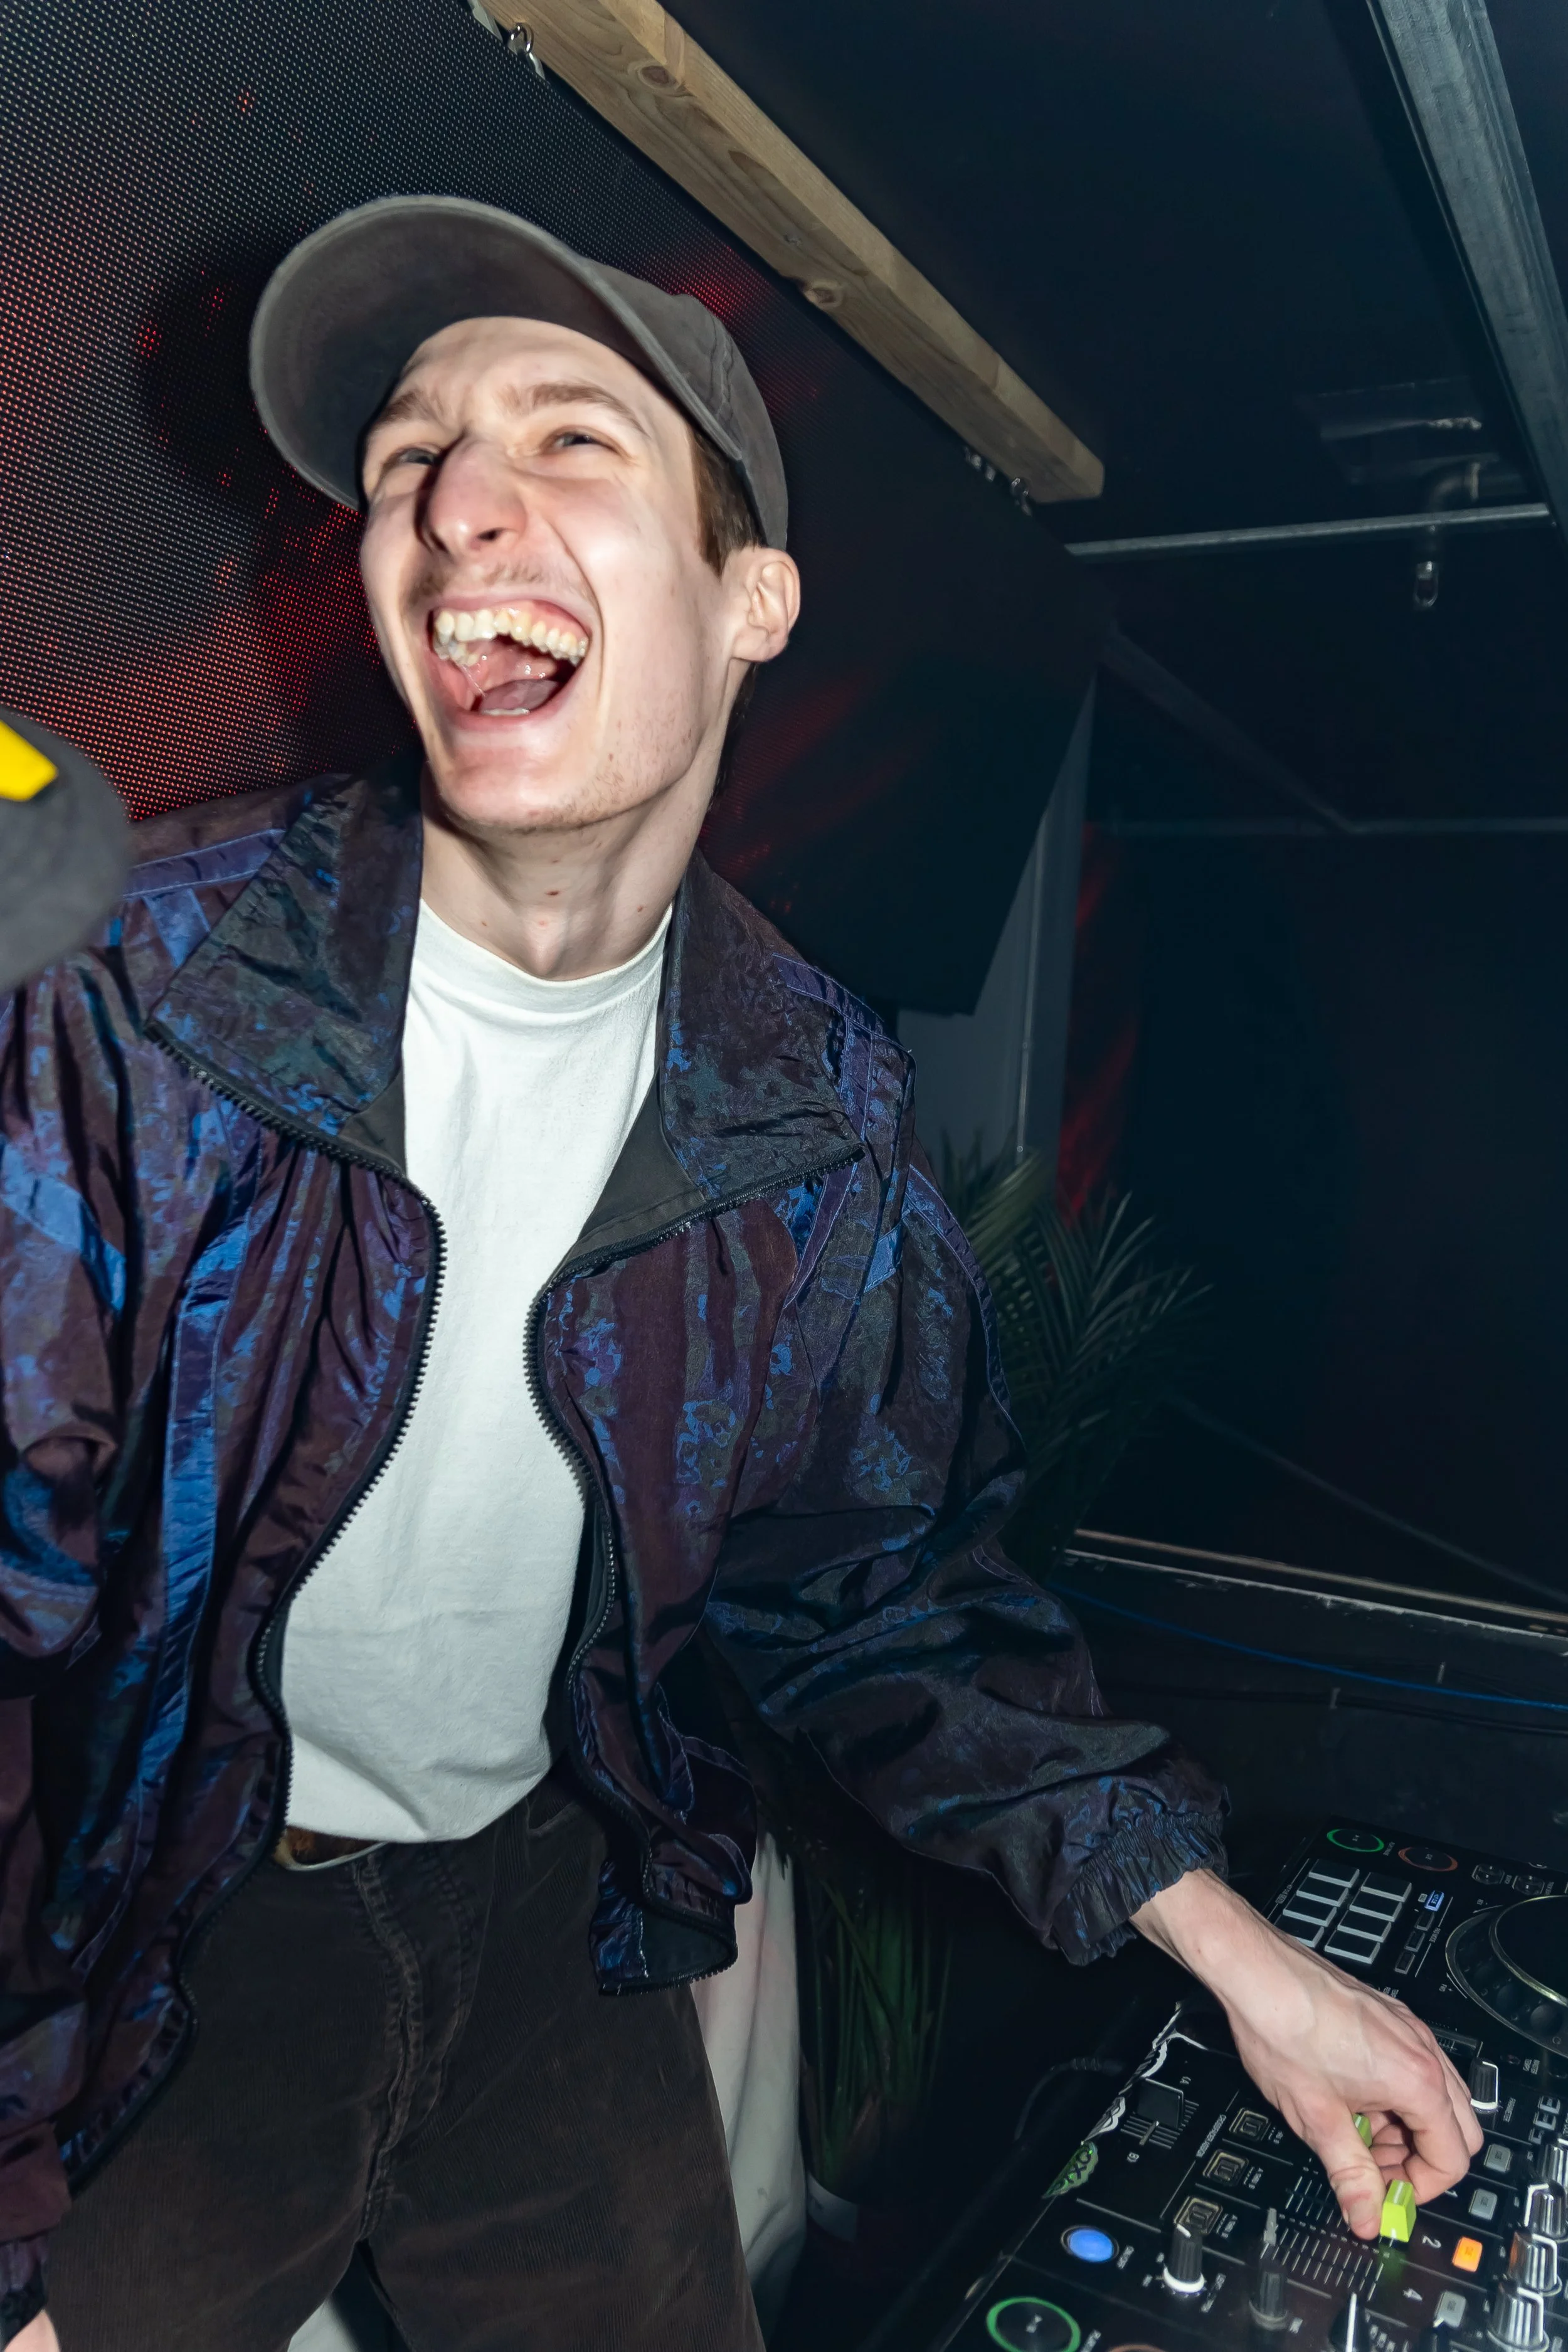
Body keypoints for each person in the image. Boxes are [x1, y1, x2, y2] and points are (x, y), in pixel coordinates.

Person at [0, 196, 1480, 2352]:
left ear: (749, 597)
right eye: (411, 460)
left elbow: (884, 1601)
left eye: (569, 440)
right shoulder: (139, 997)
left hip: (536, 1904)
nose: (454, 502)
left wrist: (1255, 1968)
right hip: (178, 1923)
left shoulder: (810, 1111)